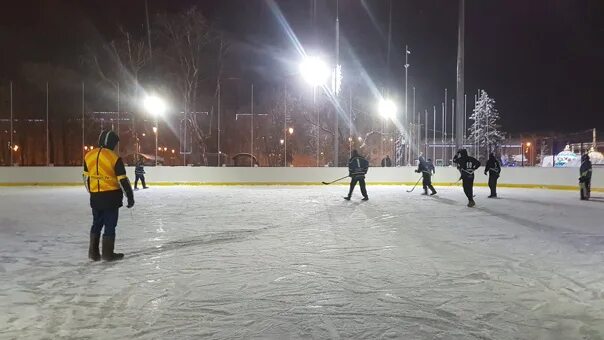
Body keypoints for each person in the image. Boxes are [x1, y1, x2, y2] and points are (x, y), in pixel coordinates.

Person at [83, 130, 134, 261]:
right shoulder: (114, 158)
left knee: (96, 223)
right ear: (112, 143)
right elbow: (122, 180)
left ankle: (93, 253)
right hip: (111, 197)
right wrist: (130, 196)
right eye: (116, 144)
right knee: (110, 225)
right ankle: (107, 253)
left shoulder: (89, 155)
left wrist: (92, 191)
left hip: (95, 197)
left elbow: (86, 178)